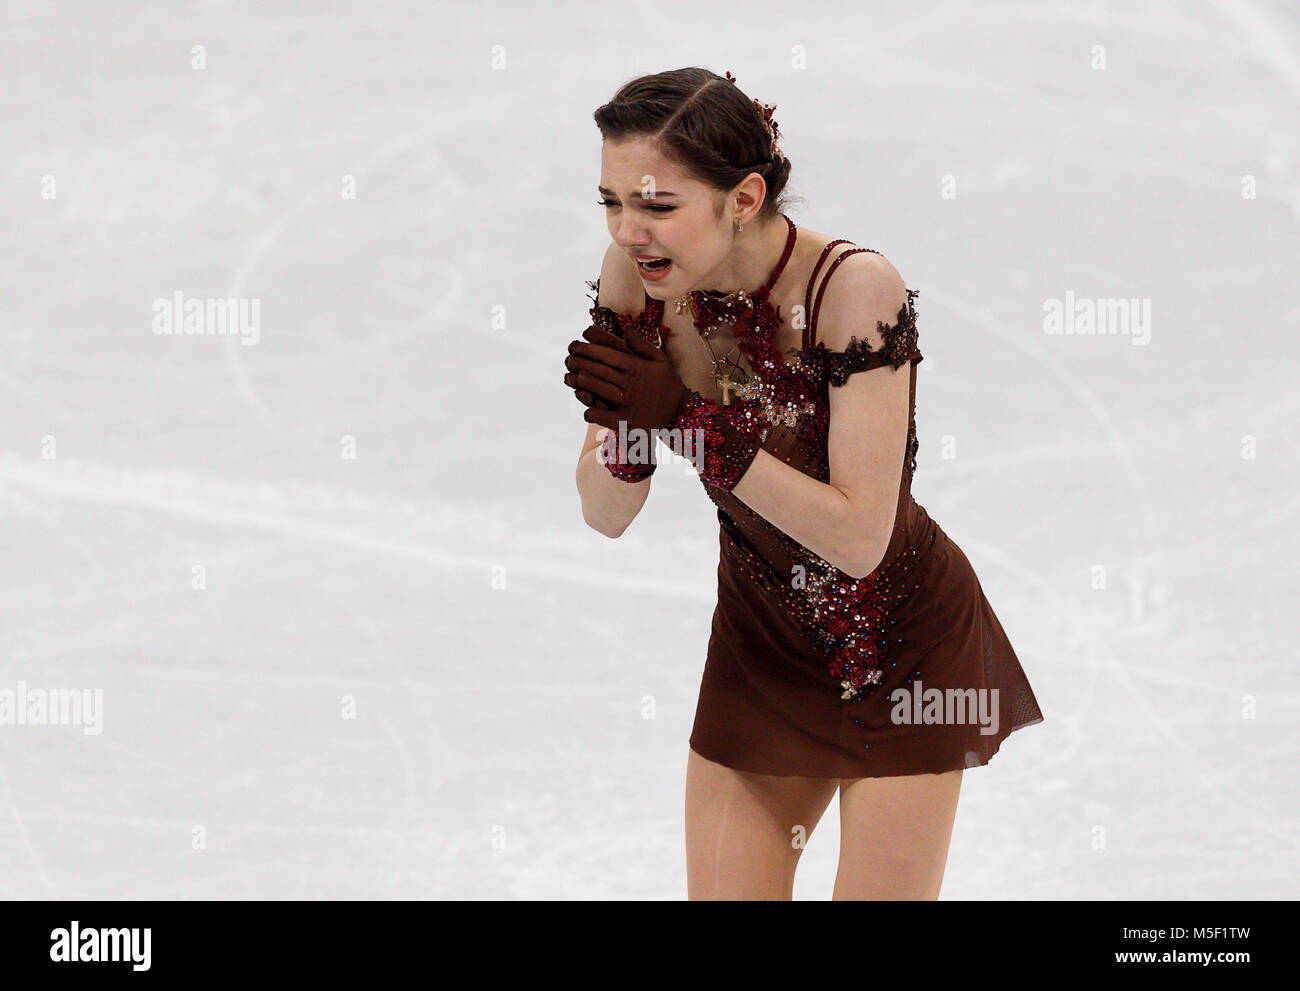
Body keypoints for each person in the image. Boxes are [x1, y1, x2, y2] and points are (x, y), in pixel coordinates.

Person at [564, 67, 1044, 900]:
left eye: (658, 205)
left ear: (744, 197)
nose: (629, 231)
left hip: (901, 655)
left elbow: (861, 538)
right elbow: (605, 516)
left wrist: (684, 420)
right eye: (612, 201)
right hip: (760, 649)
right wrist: (631, 438)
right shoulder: (635, 282)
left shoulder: (851, 289)